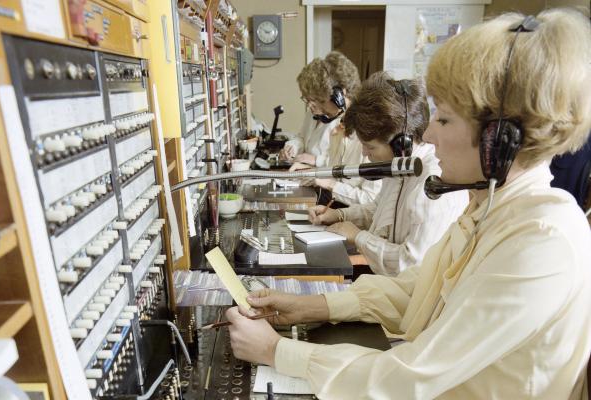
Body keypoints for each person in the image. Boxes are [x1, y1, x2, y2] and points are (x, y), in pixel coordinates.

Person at [225, 9, 591, 399]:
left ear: (498, 141)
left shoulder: (541, 240)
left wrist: (277, 351)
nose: (428, 134)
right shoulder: (490, 210)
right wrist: (312, 306)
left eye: (445, 120)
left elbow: (413, 376)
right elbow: (417, 291)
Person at [309, 73, 468, 276]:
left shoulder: (432, 186)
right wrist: (339, 215)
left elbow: (410, 265)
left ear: (401, 143)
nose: (365, 154)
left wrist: (358, 237)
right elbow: (379, 209)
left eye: (370, 147)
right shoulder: (400, 165)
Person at [283, 51, 381, 206]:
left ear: (340, 95)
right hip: (338, 208)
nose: (317, 109)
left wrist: (327, 182)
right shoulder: (341, 126)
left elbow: (370, 200)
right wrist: (312, 173)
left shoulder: (370, 132)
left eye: (321, 101)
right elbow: (335, 172)